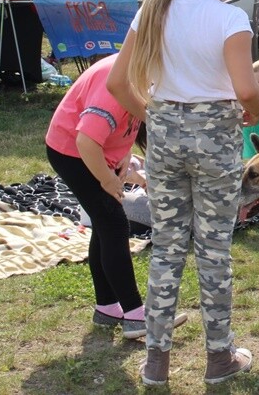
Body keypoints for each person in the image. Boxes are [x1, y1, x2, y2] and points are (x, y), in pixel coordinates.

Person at [107, 0, 259, 386]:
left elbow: (119, 84)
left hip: (166, 137)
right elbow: (244, 88)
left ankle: (156, 361)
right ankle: (219, 358)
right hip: (215, 139)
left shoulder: (153, 10)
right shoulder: (227, 19)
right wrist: (253, 112)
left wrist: (155, 120)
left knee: (167, 250)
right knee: (213, 250)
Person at [45, 54, 188, 340]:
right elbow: (86, 139)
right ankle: (136, 316)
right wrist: (107, 178)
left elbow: (129, 120)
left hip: (92, 151)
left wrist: (123, 154)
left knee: (104, 224)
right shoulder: (119, 80)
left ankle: (108, 306)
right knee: (114, 225)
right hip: (75, 153)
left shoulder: (143, 70)